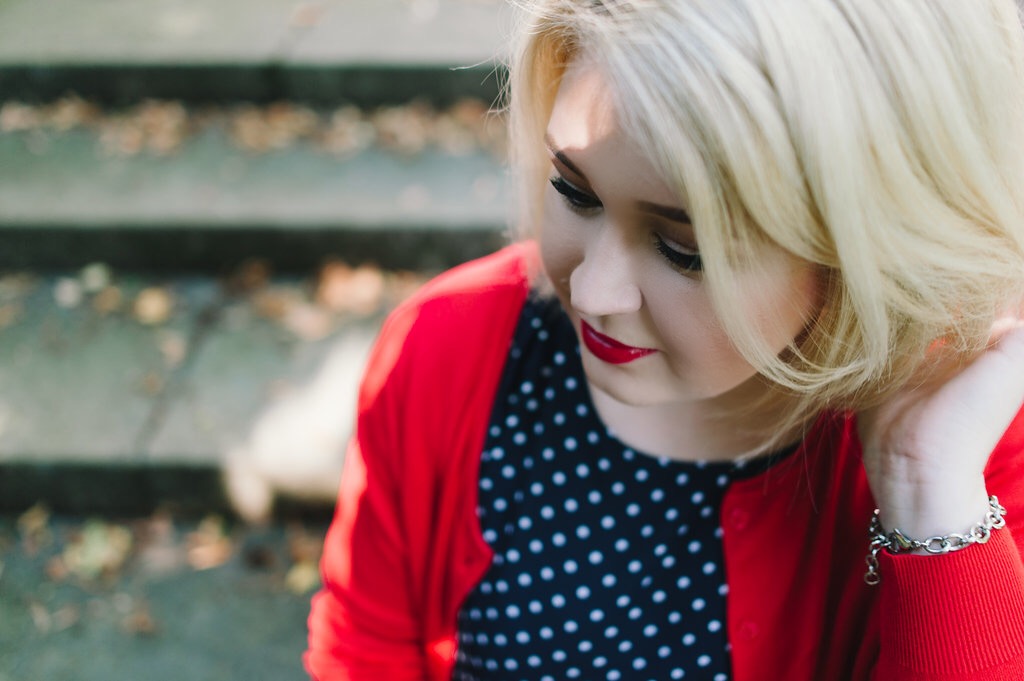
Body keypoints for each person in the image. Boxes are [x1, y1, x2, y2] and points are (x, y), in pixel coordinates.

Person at [305, 0, 1024, 678]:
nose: (592, 291)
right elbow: (366, 646)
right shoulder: (447, 348)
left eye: (685, 248)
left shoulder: (969, 447)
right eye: (576, 191)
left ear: (863, 255)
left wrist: (928, 497)